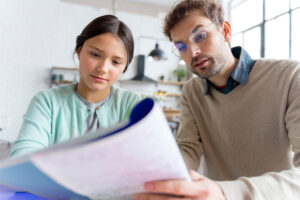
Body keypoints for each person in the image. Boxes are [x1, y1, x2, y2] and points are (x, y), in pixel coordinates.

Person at [134, 0, 300, 199]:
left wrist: (224, 192)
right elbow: (188, 148)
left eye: (200, 36)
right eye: (181, 46)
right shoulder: (191, 91)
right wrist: (159, 174)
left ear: (226, 31)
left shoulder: (290, 76)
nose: (193, 51)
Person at [10, 15, 140, 157]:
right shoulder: (47, 102)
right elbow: (22, 157)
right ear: (79, 51)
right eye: (95, 54)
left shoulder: (132, 104)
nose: (103, 68)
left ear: (124, 68)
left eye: (116, 62)